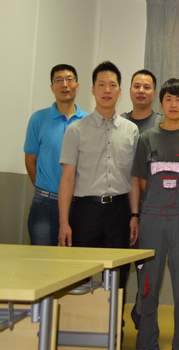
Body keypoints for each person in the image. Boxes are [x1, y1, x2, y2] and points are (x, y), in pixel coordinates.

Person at [132, 78, 179, 350]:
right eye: (168, 99)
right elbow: (141, 182)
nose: (173, 105)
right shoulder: (146, 139)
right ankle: (146, 343)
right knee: (148, 286)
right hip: (151, 219)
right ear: (161, 103)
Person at [58, 61, 139, 255]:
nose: (107, 90)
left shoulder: (131, 130)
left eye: (112, 85)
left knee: (117, 269)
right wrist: (63, 222)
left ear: (119, 91)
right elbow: (67, 178)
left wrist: (134, 215)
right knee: (82, 268)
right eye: (101, 85)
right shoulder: (76, 130)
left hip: (120, 211)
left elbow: (133, 177)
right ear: (93, 90)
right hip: (86, 210)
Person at [24, 64, 88, 246]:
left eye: (69, 80)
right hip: (45, 203)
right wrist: (45, 188)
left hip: (78, 204)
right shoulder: (38, 119)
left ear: (77, 85)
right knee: (42, 258)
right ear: (52, 87)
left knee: (76, 259)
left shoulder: (88, 121)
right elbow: (30, 161)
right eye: (59, 80)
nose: (64, 84)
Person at [123, 68, 161, 330]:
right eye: (137, 86)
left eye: (146, 87)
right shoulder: (119, 122)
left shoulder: (162, 124)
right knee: (119, 269)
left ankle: (142, 315)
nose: (141, 91)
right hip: (118, 206)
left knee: (147, 268)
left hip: (150, 208)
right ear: (129, 90)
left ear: (154, 93)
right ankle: (113, 321)